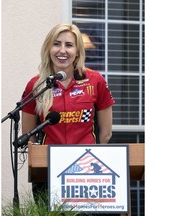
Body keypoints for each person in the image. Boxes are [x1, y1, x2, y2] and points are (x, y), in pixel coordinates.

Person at [21, 23, 115, 213]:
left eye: (69, 45)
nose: (62, 50)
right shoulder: (36, 85)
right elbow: (28, 135)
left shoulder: (95, 80)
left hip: (85, 174)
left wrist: (92, 163)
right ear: (49, 48)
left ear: (78, 51)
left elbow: (105, 133)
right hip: (47, 172)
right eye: (56, 44)